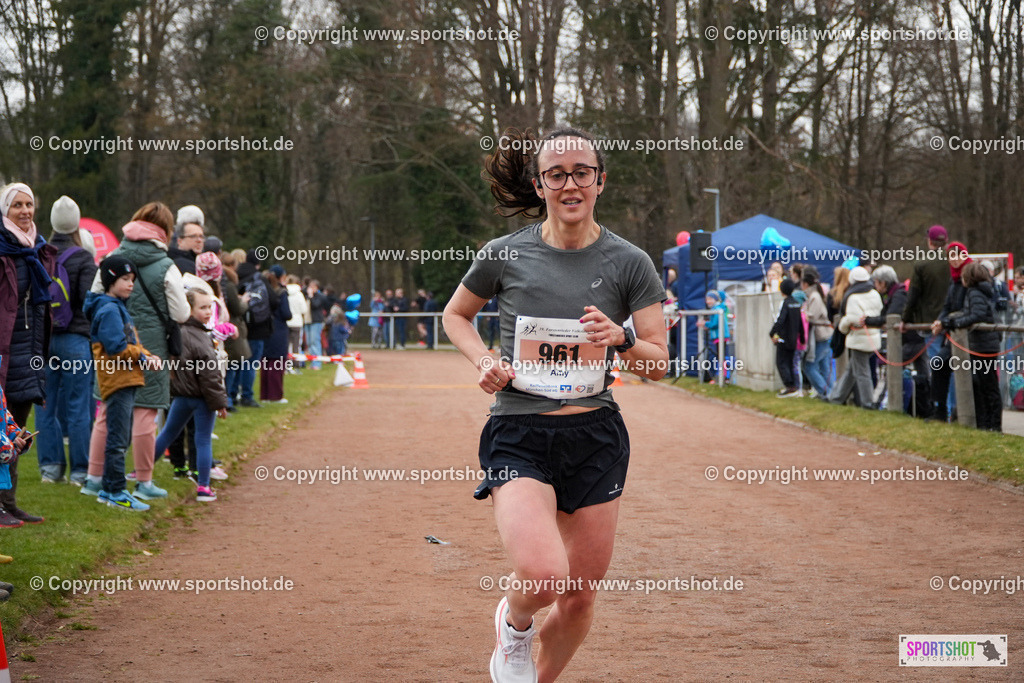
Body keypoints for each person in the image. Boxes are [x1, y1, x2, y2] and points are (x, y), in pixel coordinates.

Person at [442, 126, 668, 682]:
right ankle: (514, 623)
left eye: (581, 173)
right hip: (520, 432)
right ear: (540, 185)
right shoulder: (505, 254)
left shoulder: (631, 262)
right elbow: (456, 315)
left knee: (579, 596)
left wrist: (621, 339)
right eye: (557, 174)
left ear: (600, 181)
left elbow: (658, 362)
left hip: (595, 436)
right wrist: (484, 361)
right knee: (544, 577)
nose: (571, 184)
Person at [84, 202, 188, 501]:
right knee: (146, 413)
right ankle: (144, 481)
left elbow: (93, 297)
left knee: (107, 410)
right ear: (165, 231)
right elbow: (181, 313)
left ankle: (93, 478)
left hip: (110, 344)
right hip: (150, 346)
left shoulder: (112, 257)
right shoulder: (167, 266)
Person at [82, 256, 158, 510]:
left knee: (121, 437)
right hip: (118, 381)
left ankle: (108, 489)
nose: (131, 284)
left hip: (126, 379)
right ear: (110, 281)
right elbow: (116, 348)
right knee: (117, 440)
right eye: (125, 279)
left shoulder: (116, 307)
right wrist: (142, 356)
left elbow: (130, 344)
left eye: (132, 279)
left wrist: (146, 355)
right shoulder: (109, 310)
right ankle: (115, 491)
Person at [0, 182, 55, 525]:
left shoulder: (37, 249)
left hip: (28, 355)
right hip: (4, 355)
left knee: (17, 434)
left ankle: (9, 503)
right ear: (5, 210)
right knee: (0, 433)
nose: (24, 211)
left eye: (29, 204)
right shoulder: (2, 250)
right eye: (17, 205)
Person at [36, 196, 97, 485]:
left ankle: (50, 468)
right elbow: (88, 300)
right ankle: (80, 471)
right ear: (76, 223)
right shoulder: (83, 257)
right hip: (76, 340)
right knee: (78, 406)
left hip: (44, 341)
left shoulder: (38, 254)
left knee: (45, 406)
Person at [153, 288, 229, 501]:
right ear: (189, 309)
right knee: (203, 439)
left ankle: (141, 472)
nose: (208, 312)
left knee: (168, 433)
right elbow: (210, 376)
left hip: (180, 395)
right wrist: (220, 402)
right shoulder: (201, 338)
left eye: (210, 307)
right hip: (202, 399)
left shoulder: (177, 332)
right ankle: (204, 487)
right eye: (203, 307)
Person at [938, 262, 1001, 431]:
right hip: (982, 344)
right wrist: (951, 320)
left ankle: (994, 425)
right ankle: (986, 423)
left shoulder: (974, 292)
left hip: (984, 345)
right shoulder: (980, 292)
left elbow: (977, 315)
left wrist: (957, 323)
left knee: (988, 386)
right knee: (983, 384)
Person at [828, 266, 883, 408]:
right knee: (852, 370)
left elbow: (854, 319)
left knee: (862, 372)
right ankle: (836, 397)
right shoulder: (874, 293)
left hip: (859, 338)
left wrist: (842, 325)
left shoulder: (852, 297)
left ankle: (867, 402)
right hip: (873, 337)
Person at [929, 243, 971, 422]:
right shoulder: (953, 281)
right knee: (938, 364)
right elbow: (947, 306)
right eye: (951, 256)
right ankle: (940, 410)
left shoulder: (971, 276)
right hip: (952, 332)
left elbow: (969, 308)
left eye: (958, 255)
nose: (954, 260)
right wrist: (939, 321)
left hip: (968, 334)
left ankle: (962, 413)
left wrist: (945, 321)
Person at [902, 225, 949, 362]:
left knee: (936, 362)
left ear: (929, 241)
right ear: (946, 241)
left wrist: (905, 319)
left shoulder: (922, 264)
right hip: (953, 320)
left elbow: (913, 295)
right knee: (954, 360)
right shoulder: (955, 261)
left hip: (931, 320)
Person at [237, 251, 269, 408]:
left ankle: (233, 393)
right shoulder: (259, 278)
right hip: (257, 326)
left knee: (237, 363)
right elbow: (273, 300)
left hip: (239, 325)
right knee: (251, 363)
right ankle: (247, 395)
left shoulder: (236, 275)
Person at [219, 251, 249, 410]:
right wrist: (243, 302)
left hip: (229, 328)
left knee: (232, 365)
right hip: (231, 329)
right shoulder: (229, 284)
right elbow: (236, 309)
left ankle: (230, 398)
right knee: (231, 366)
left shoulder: (223, 283)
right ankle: (228, 400)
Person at [800, 266, 833, 399]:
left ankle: (825, 391)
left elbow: (812, 316)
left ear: (805, 284)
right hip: (825, 335)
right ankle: (832, 393)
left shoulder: (814, 297)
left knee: (809, 366)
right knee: (825, 367)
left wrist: (802, 313)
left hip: (821, 336)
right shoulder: (815, 295)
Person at [260, 265, 291, 403]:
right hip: (278, 330)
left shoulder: (263, 290)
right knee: (277, 364)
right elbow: (286, 313)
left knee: (266, 363)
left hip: (264, 328)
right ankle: (275, 395)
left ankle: (265, 395)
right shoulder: (281, 292)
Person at [770, 279, 804, 397]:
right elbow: (800, 322)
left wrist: (772, 332)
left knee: (781, 362)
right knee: (790, 363)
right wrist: (802, 337)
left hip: (784, 339)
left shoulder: (785, 303)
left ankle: (790, 386)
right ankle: (794, 386)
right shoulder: (796, 303)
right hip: (794, 339)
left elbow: (781, 320)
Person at [697, 290, 729, 383]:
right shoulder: (716, 308)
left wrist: (705, 323)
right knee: (721, 356)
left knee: (721, 357)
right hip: (718, 336)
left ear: (716, 299)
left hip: (721, 336)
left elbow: (715, 323)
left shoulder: (717, 309)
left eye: (710, 299)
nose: (708, 301)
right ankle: (723, 376)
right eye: (707, 299)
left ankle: (725, 377)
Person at [168, 205, 204, 275]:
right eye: (193, 236)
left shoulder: (203, 263)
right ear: (180, 241)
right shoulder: (181, 265)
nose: (199, 240)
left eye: (201, 236)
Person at [285, 275, 308, 367]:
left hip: (287, 321)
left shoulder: (284, 293)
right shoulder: (299, 294)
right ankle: (296, 363)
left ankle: (287, 363)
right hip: (297, 321)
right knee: (296, 344)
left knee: (287, 344)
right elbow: (304, 309)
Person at [305, 280, 328, 367]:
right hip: (308, 321)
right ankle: (313, 362)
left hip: (316, 322)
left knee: (315, 341)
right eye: (310, 286)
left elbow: (315, 305)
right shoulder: (307, 296)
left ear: (317, 287)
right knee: (309, 342)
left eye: (313, 287)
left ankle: (317, 363)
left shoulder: (320, 296)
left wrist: (311, 296)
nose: (311, 289)